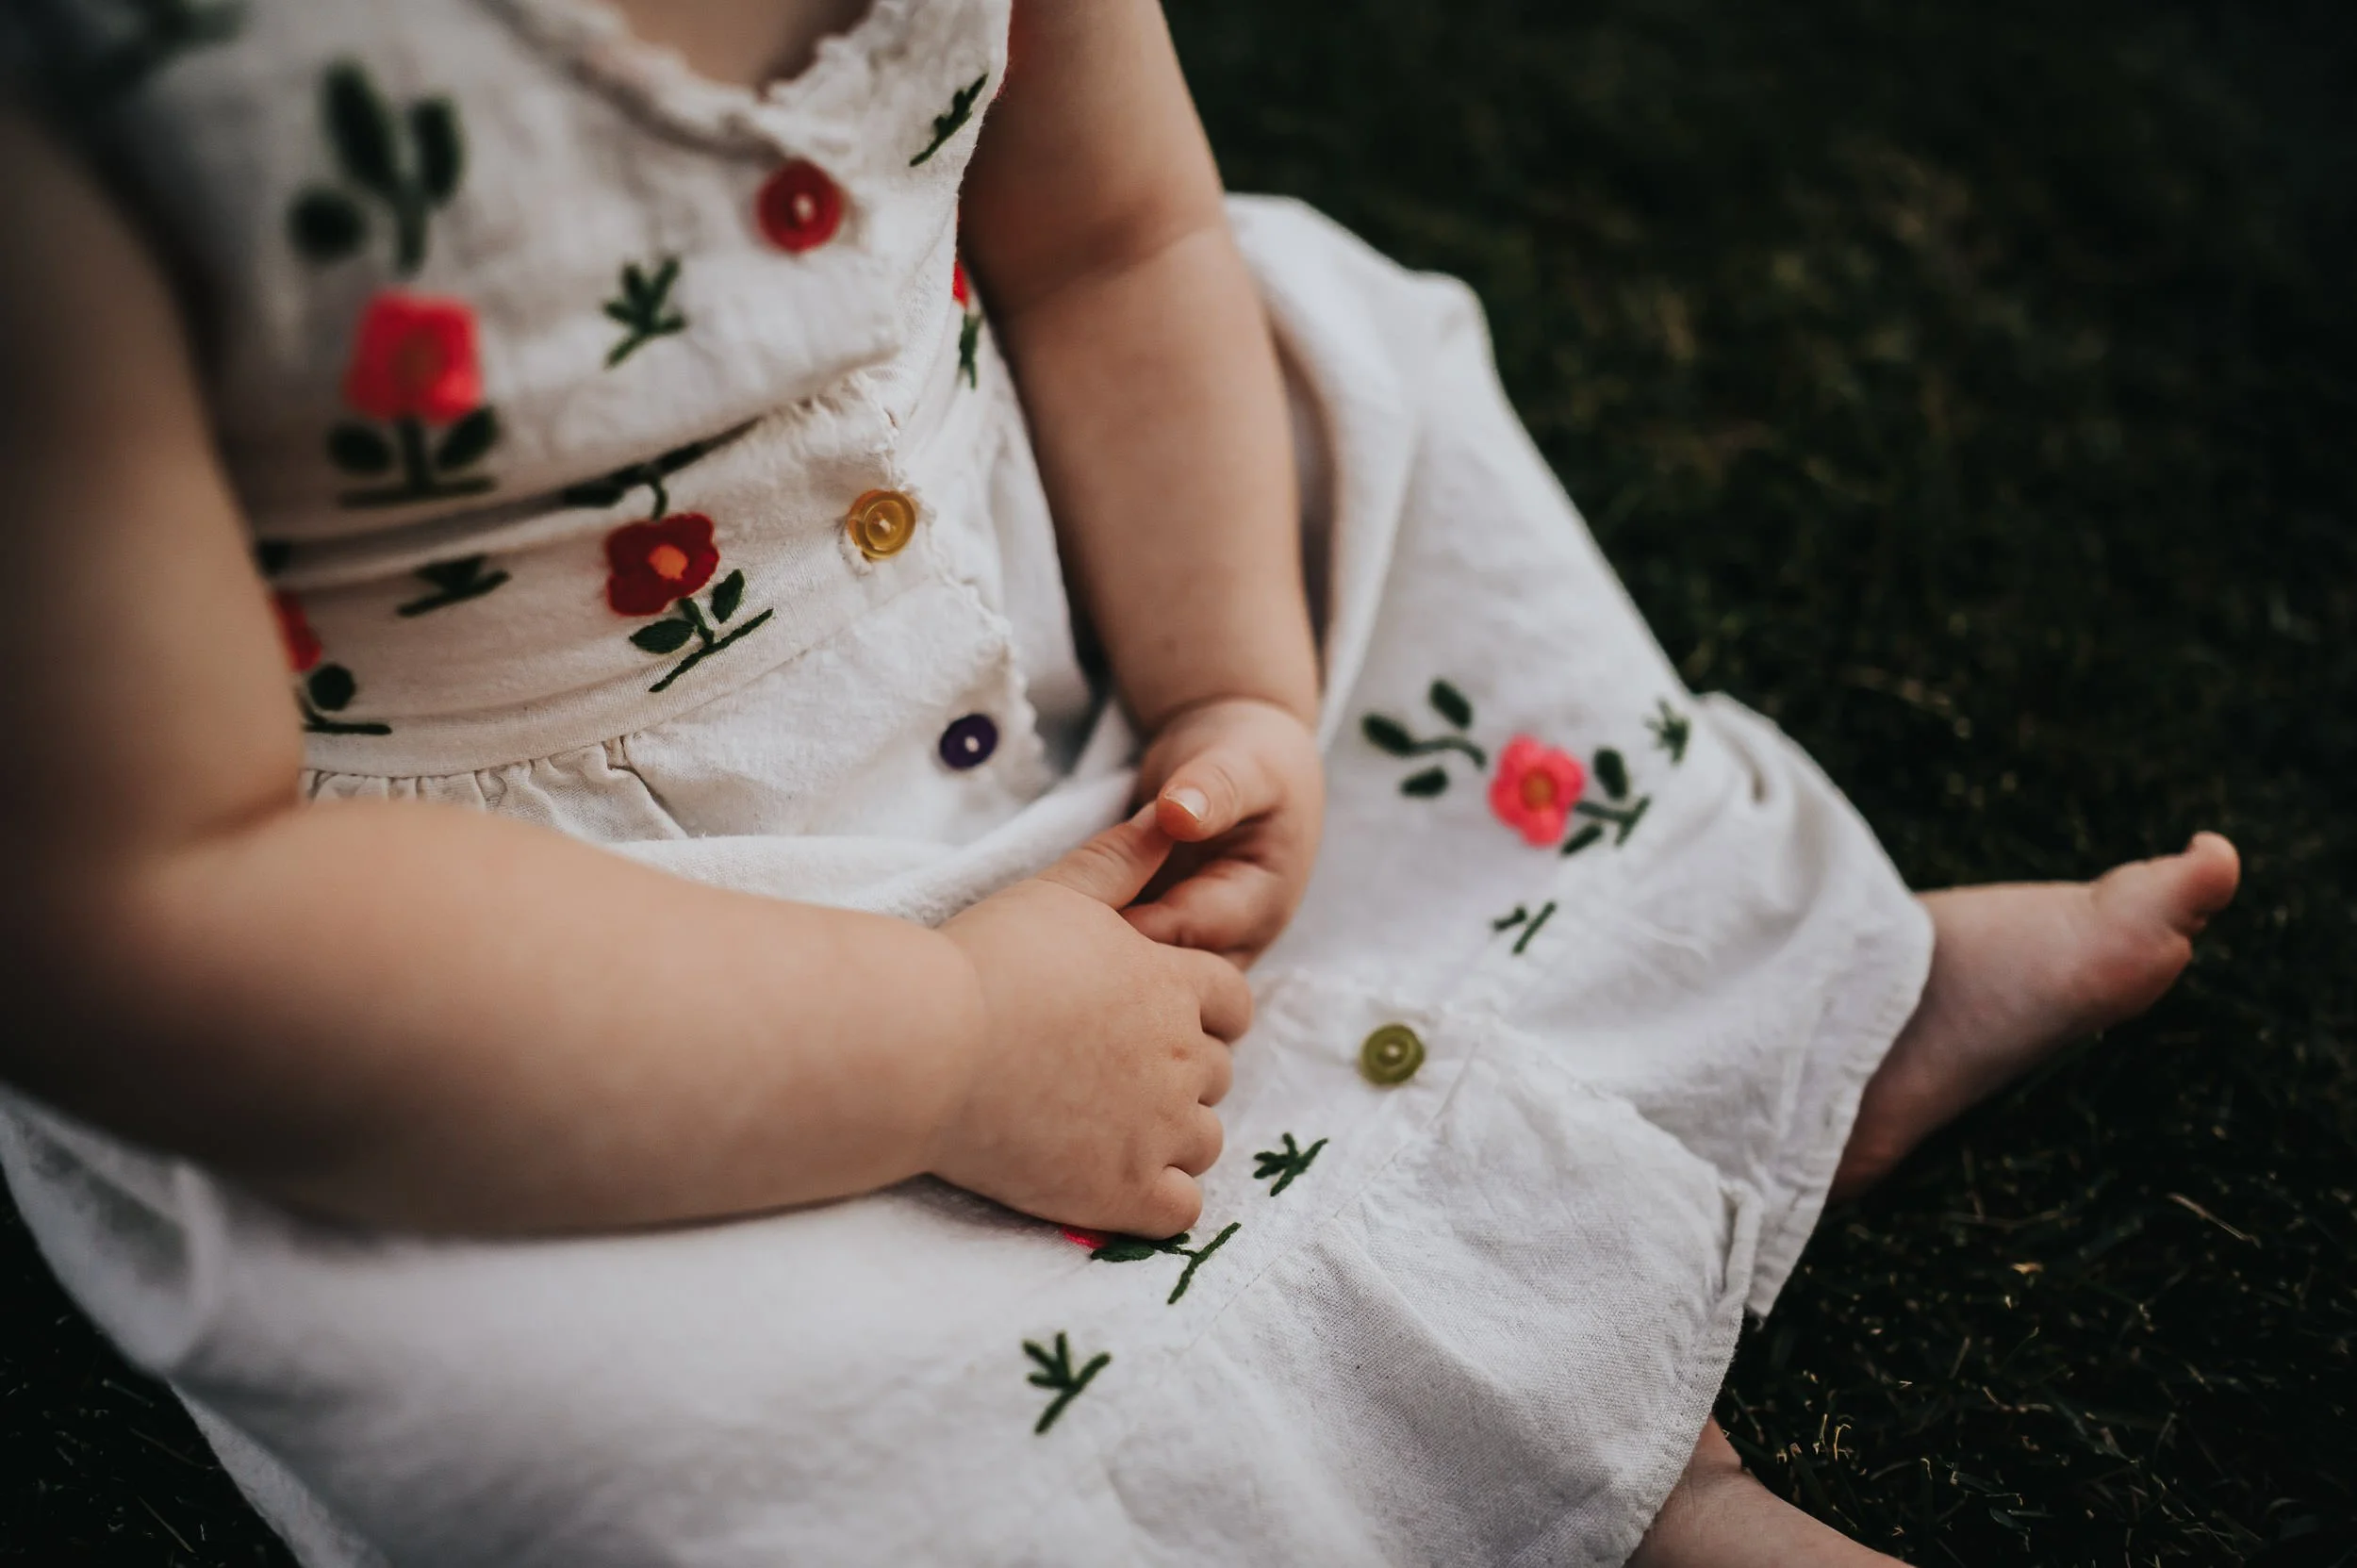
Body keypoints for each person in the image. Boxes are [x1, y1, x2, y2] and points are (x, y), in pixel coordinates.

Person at [0, 1, 2239, 1561]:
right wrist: (942, 1047)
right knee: (727, 1416)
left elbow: (1108, 238)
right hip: (497, 957)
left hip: (1034, 600)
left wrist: (1232, 690)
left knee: (1319, 380)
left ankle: (1782, 1015)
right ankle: (1592, 1463)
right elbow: (160, 912)